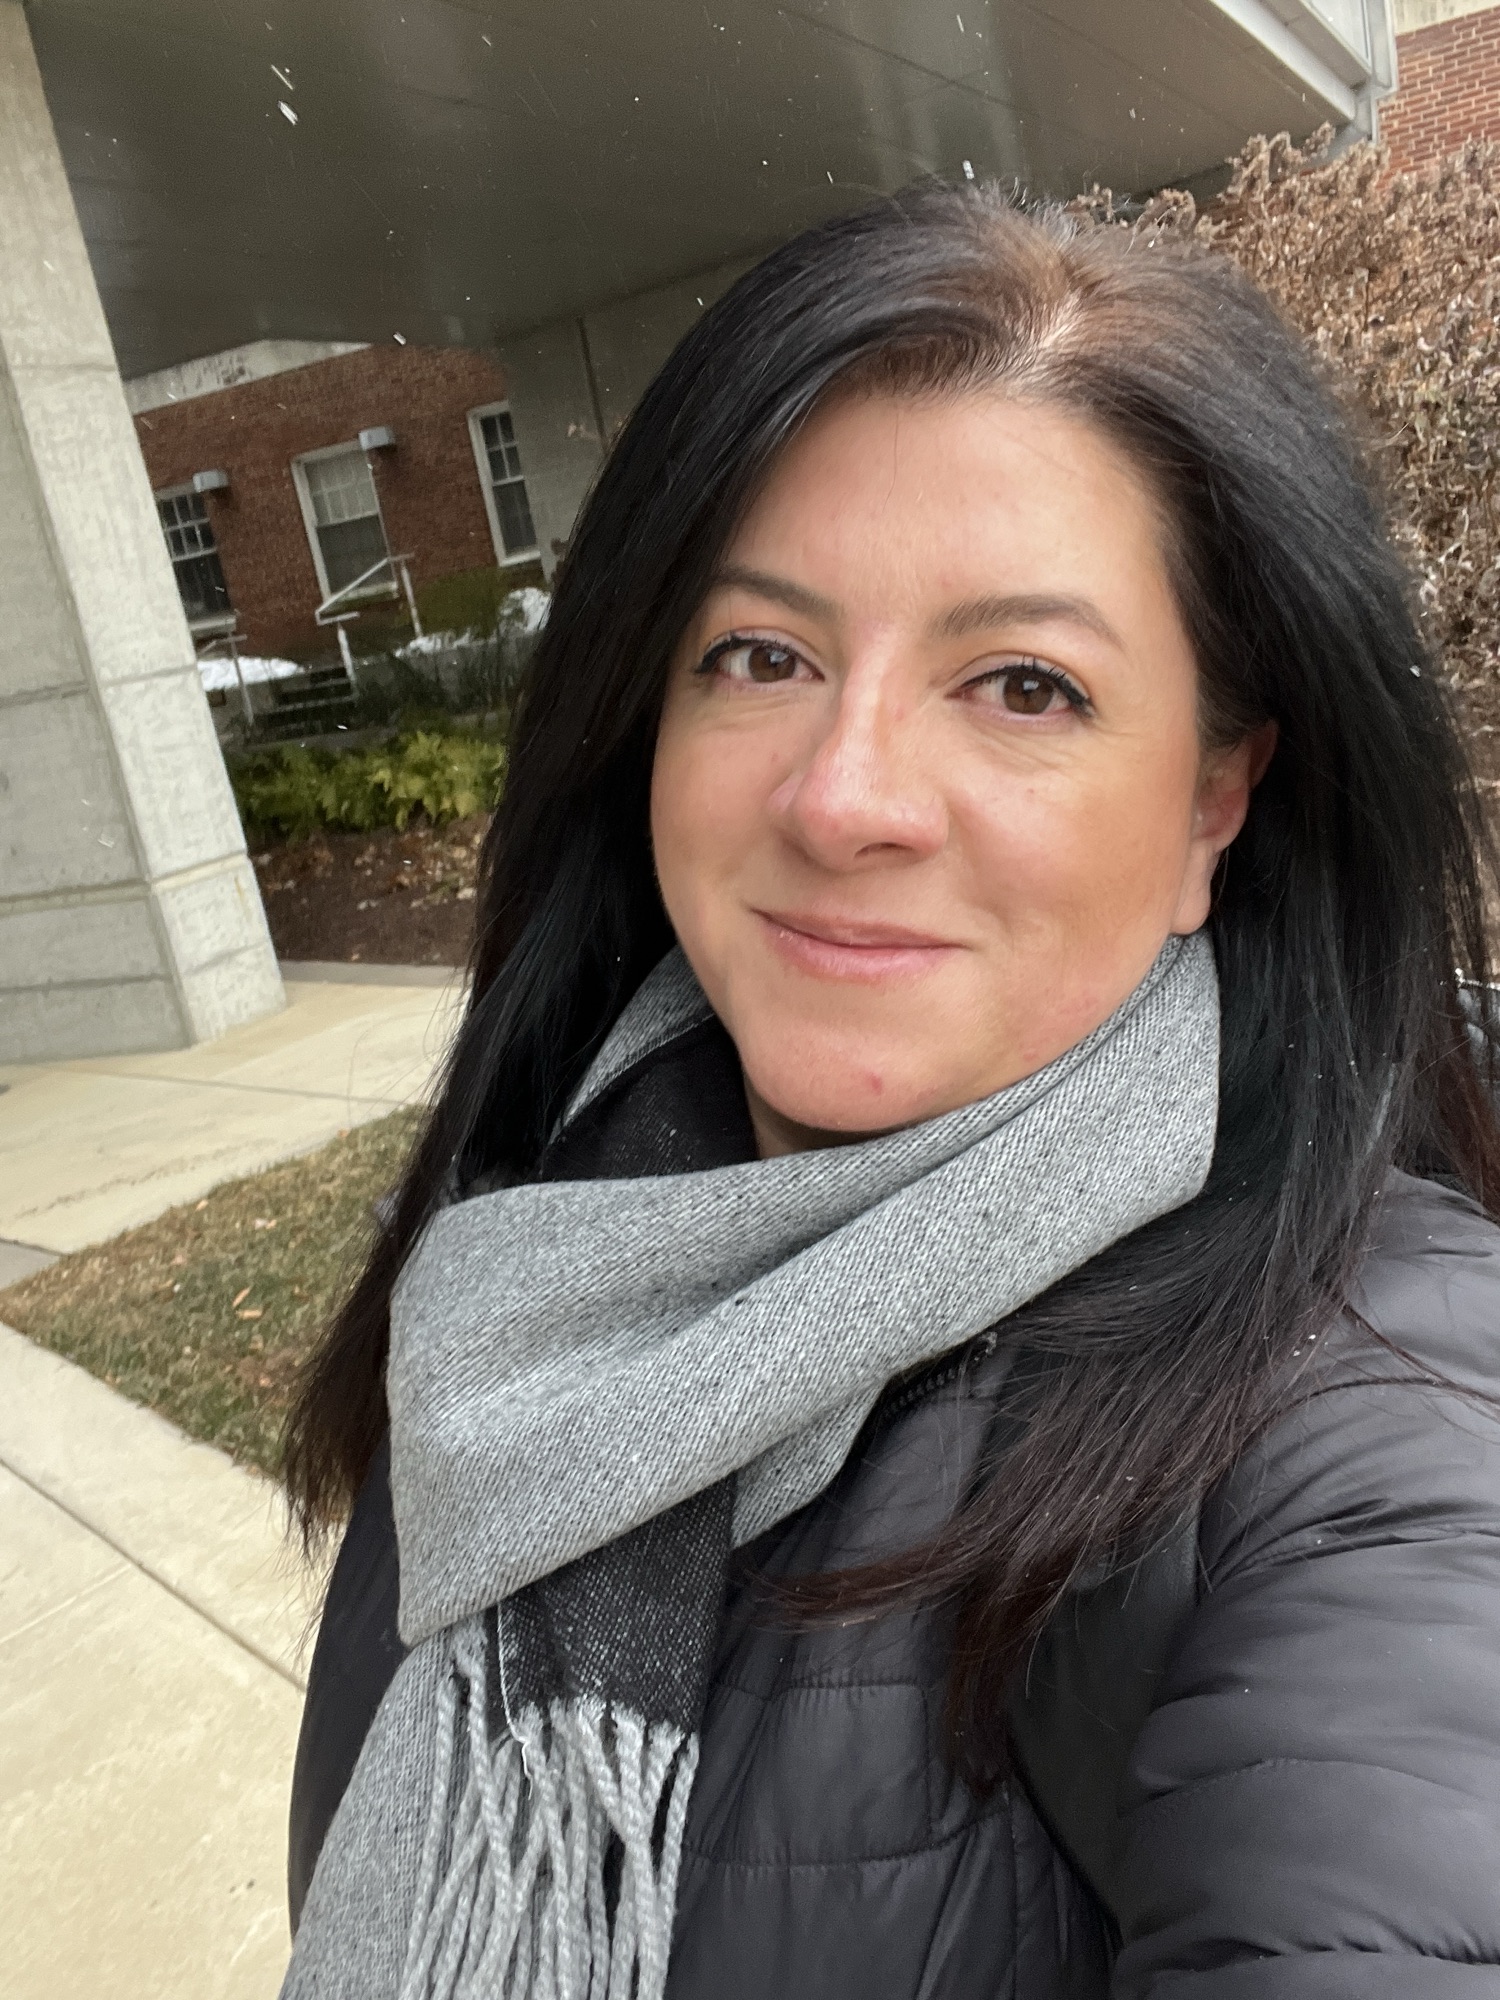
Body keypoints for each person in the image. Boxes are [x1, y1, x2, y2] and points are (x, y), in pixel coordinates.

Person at [277, 184, 1500, 1999]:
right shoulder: (522, 1273)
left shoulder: (1380, 1414)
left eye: (1024, 686)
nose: (844, 796)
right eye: (760, 656)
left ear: (1214, 800)